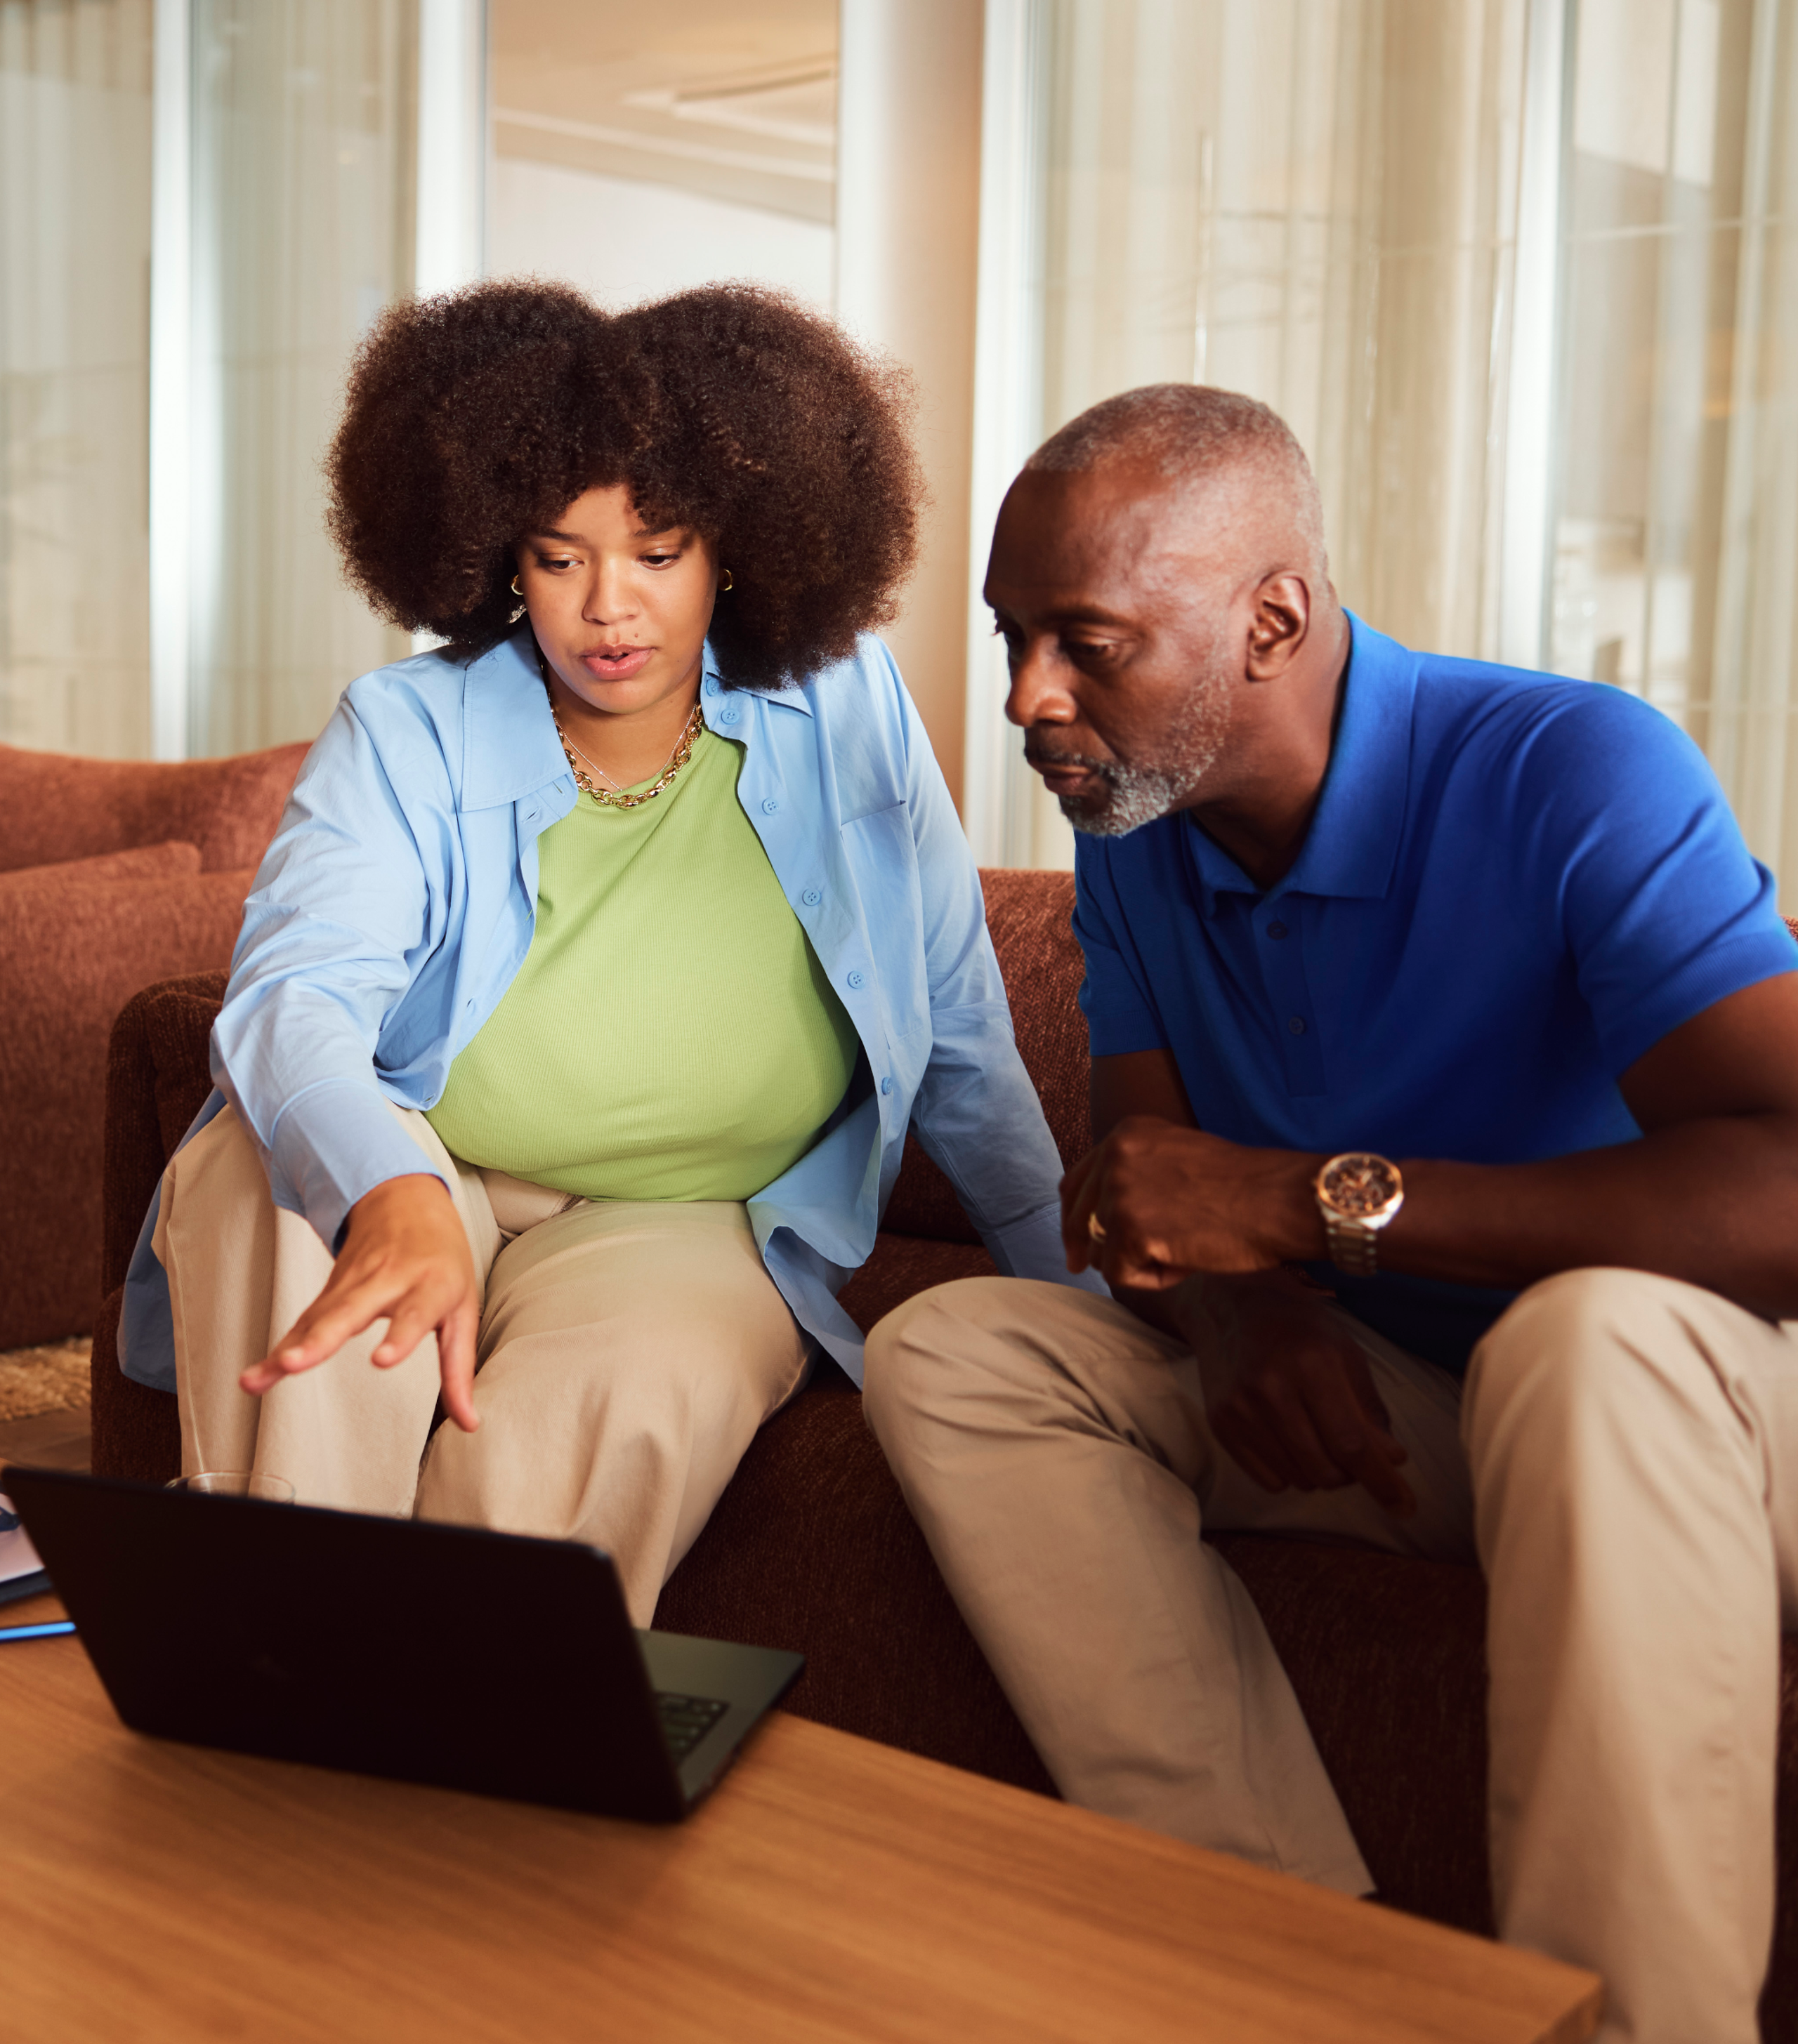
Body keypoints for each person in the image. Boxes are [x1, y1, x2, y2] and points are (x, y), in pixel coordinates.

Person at [862, 381, 1798, 2044]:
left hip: (1683, 1424)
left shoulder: (1572, 770)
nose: (1025, 698)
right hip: (1405, 1420)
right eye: (1014, 638)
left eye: (1084, 641)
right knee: (957, 1348)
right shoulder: (1138, 825)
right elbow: (1143, 1189)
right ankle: (1280, 1970)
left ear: (1269, 619)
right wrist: (1242, 1309)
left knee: (1584, 1344)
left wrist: (1312, 1213)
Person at [120, 279, 1087, 1629]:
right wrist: (387, 1183)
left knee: (583, 1455)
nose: (607, 608)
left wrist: (1076, 1289)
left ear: (736, 549)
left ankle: (460, 1729)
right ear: (498, 562)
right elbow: (293, 998)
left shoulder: (849, 709)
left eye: (657, 550)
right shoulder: (407, 729)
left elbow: (961, 1018)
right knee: (275, 1197)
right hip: (429, 1160)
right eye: (559, 557)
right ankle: (272, 1648)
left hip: (689, 1223)